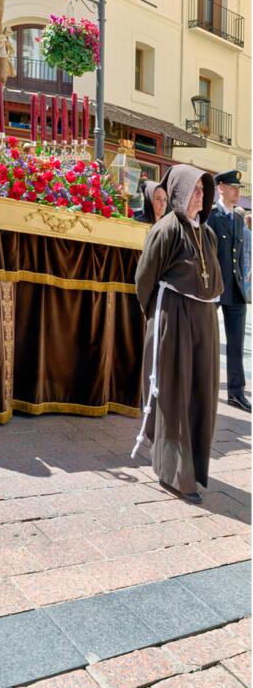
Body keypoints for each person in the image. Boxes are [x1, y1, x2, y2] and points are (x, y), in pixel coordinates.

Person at [133, 164, 223, 504]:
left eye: (204, 191)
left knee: (201, 394)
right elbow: (145, 279)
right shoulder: (167, 229)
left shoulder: (208, 233)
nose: (201, 196)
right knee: (176, 394)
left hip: (204, 322)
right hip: (175, 321)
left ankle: (194, 469)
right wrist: (160, 318)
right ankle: (174, 474)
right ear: (180, 192)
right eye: (195, 190)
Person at [206, 171, 250, 412]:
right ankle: (205, 388)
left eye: (239, 187)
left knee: (236, 345)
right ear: (221, 188)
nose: (237, 191)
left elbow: (241, 255)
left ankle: (236, 393)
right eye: (233, 187)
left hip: (235, 290)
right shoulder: (210, 217)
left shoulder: (238, 219)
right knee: (208, 342)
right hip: (213, 289)